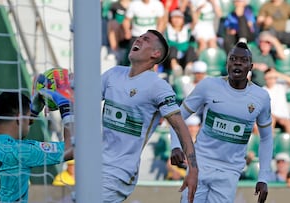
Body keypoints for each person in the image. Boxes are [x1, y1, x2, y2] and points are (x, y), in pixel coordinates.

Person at [101, 29, 198, 203]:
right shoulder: (113, 74)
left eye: (145, 39)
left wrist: (192, 170)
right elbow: (82, 98)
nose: (138, 39)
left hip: (119, 171)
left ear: (156, 53)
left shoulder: (157, 86)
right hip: (93, 163)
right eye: (139, 37)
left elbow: (179, 125)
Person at [171, 41, 273, 203]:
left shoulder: (261, 97)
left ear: (251, 66)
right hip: (200, 164)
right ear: (227, 64)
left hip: (229, 171)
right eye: (233, 58)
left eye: (243, 60)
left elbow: (267, 138)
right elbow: (178, 116)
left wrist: (263, 177)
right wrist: (175, 146)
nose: (237, 62)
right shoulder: (209, 86)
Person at [0, 90, 74, 202]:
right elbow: (71, 149)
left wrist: (32, 113)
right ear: (19, 118)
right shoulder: (22, 150)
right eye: (27, 119)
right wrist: (66, 107)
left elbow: (13, 139)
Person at [162, 9, 197, 77]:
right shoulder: (168, 28)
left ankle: (189, 68)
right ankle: (175, 68)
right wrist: (167, 7)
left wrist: (191, 7)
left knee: (191, 48)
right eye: (174, 17)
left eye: (179, 18)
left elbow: (195, 21)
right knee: (172, 48)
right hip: (170, 58)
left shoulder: (186, 29)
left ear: (183, 19)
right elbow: (163, 20)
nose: (177, 20)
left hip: (184, 57)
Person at [263, 68, 290, 134]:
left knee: (289, 125)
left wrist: (277, 74)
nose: (271, 80)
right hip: (271, 116)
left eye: (273, 77)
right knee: (270, 119)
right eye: (269, 77)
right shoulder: (263, 90)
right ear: (265, 78)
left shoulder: (281, 86)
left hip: (284, 116)